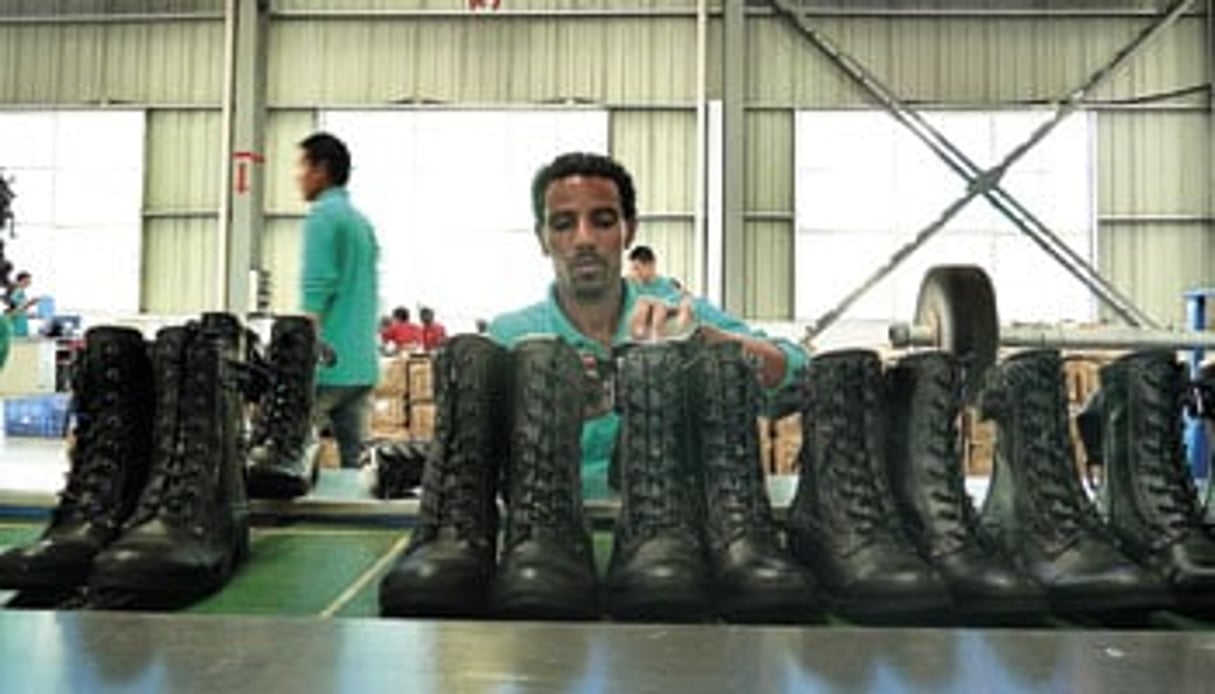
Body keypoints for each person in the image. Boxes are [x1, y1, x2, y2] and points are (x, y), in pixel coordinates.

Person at [489, 152, 807, 498]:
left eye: (603, 221)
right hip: (543, 537)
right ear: (542, 238)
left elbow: (796, 373)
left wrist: (706, 344)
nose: (583, 239)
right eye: (564, 224)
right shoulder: (508, 339)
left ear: (629, 231)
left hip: (675, 535)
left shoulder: (681, 317)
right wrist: (543, 410)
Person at [297, 132, 380, 469]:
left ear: (322, 169)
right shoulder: (361, 223)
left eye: (303, 166)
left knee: (290, 455)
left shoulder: (323, 216)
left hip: (326, 367)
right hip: (361, 364)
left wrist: (300, 356)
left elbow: (318, 286)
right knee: (356, 466)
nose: (299, 176)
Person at [7, 272, 39, 338]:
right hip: (16, 329)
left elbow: (21, 308)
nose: (30, 283)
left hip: (21, 327)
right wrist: (30, 303)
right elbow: (13, 310)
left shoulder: (21, 292)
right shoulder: (16, 291)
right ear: (22, 280)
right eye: (28, 281)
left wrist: (30, 305)